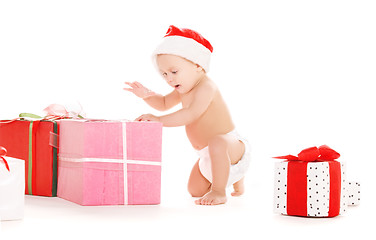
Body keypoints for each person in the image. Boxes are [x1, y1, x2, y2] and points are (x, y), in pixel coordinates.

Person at [124, 25, 251, 205]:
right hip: (207, 156)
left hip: (231, 148)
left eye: (174, 72)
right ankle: (232, 179)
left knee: (217, 142)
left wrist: (159, 120)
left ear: (198, 65)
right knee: (194, 191)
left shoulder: (206, 87)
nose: (169, 79)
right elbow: (164, 103)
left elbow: (190, 114)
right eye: (164, 74)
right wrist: (147, 96)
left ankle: (220, 190)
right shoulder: (184, 88)